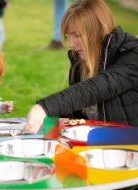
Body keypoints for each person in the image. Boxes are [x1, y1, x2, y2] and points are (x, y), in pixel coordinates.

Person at [24, 0, 138, 134]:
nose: (71, 44)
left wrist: (45, 107)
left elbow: (100, 86)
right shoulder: (81, 60)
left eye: (78, 35)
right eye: (69, 35)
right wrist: (51, 118)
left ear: (101, 30)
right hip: (98, 141)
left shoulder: (133, 53)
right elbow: (78, 113)